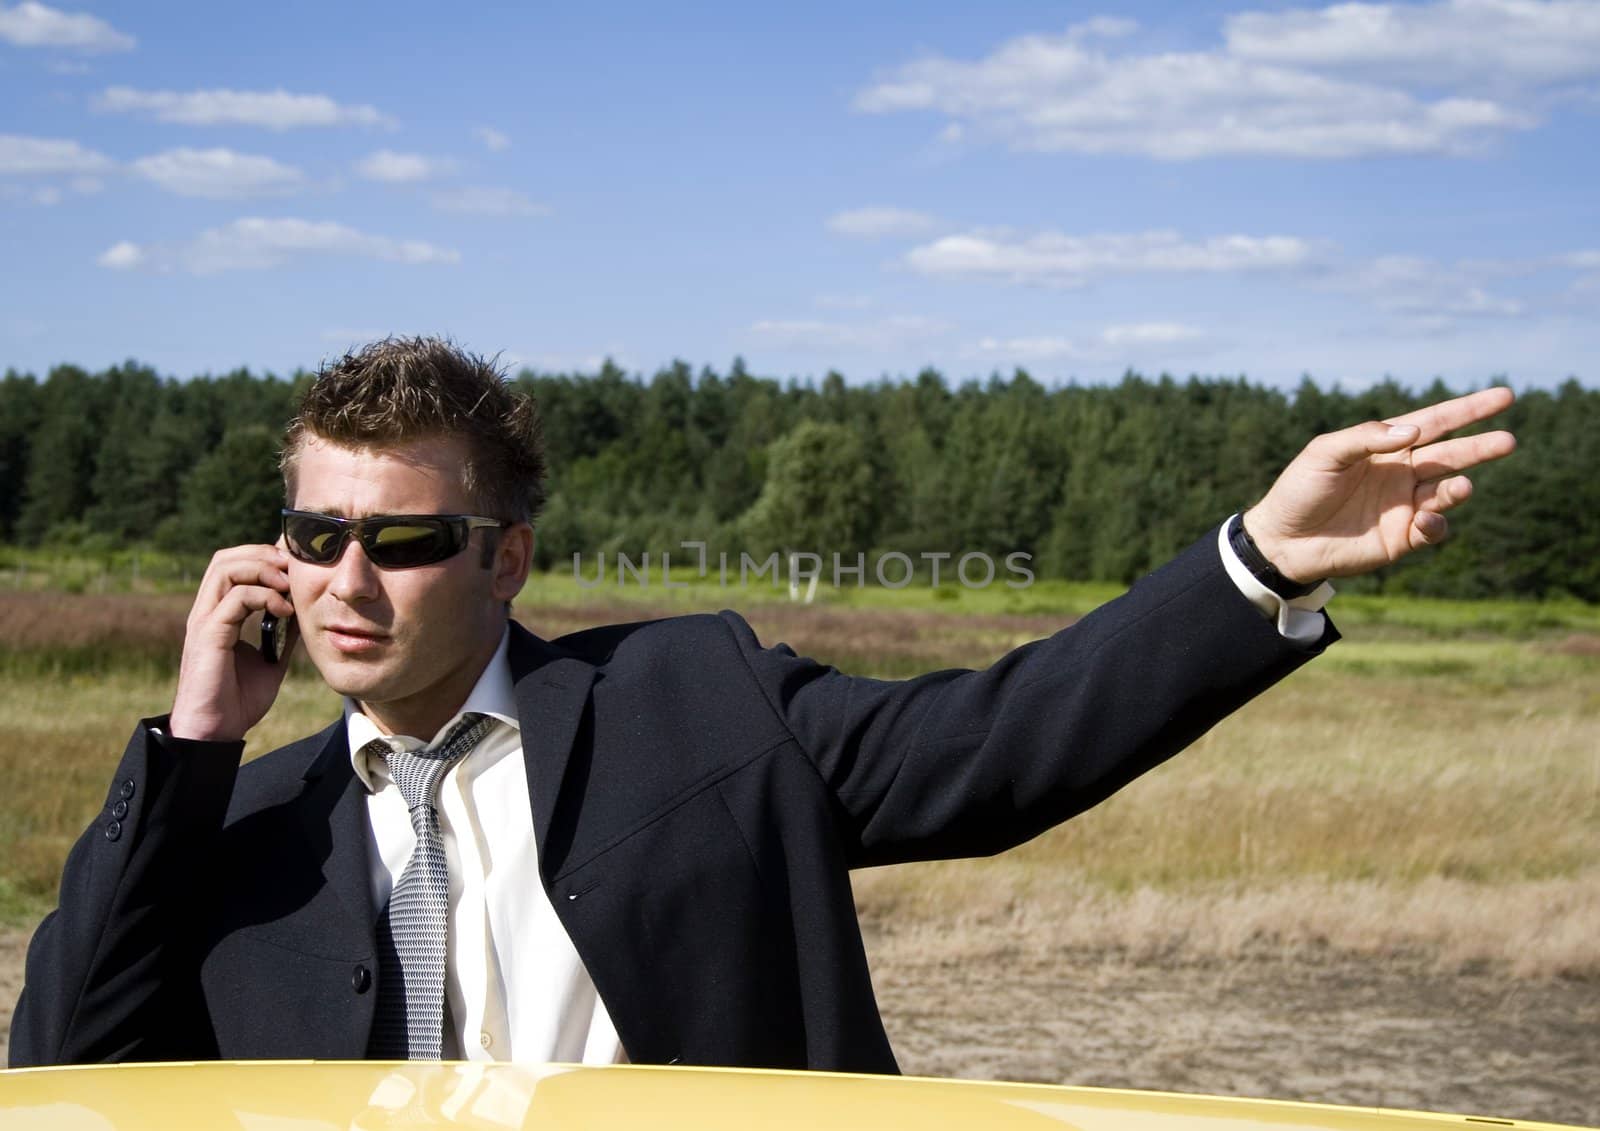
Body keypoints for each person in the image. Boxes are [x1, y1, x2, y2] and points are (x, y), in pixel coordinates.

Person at [8, 337, 1516, 1072]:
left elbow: (999, 748)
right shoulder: (241, 821)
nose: (350, 577)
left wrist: (1256, 564)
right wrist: (198, 742)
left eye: (402, 540)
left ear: (508, 558)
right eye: (316, 535)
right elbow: (64, 1063)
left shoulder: (697, 702)